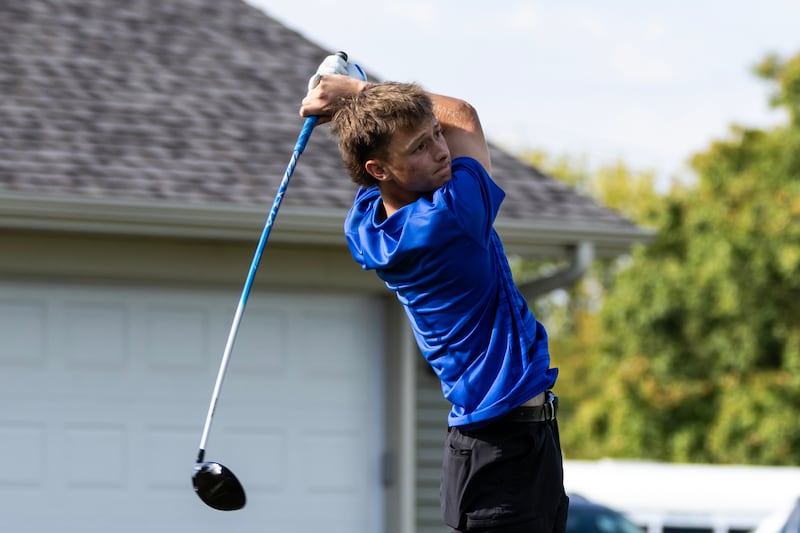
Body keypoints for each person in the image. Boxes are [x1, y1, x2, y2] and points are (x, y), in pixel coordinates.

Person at [300, 70, 568, 533]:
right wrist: (356, 92)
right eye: (419, 148)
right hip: (500, 448)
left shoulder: (364, 227)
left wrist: (361, 111)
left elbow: (390, 169)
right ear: (379, 170)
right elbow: (463, 115)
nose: (441, 150)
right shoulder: (452, 217)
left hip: (507, 440)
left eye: (435, 135)